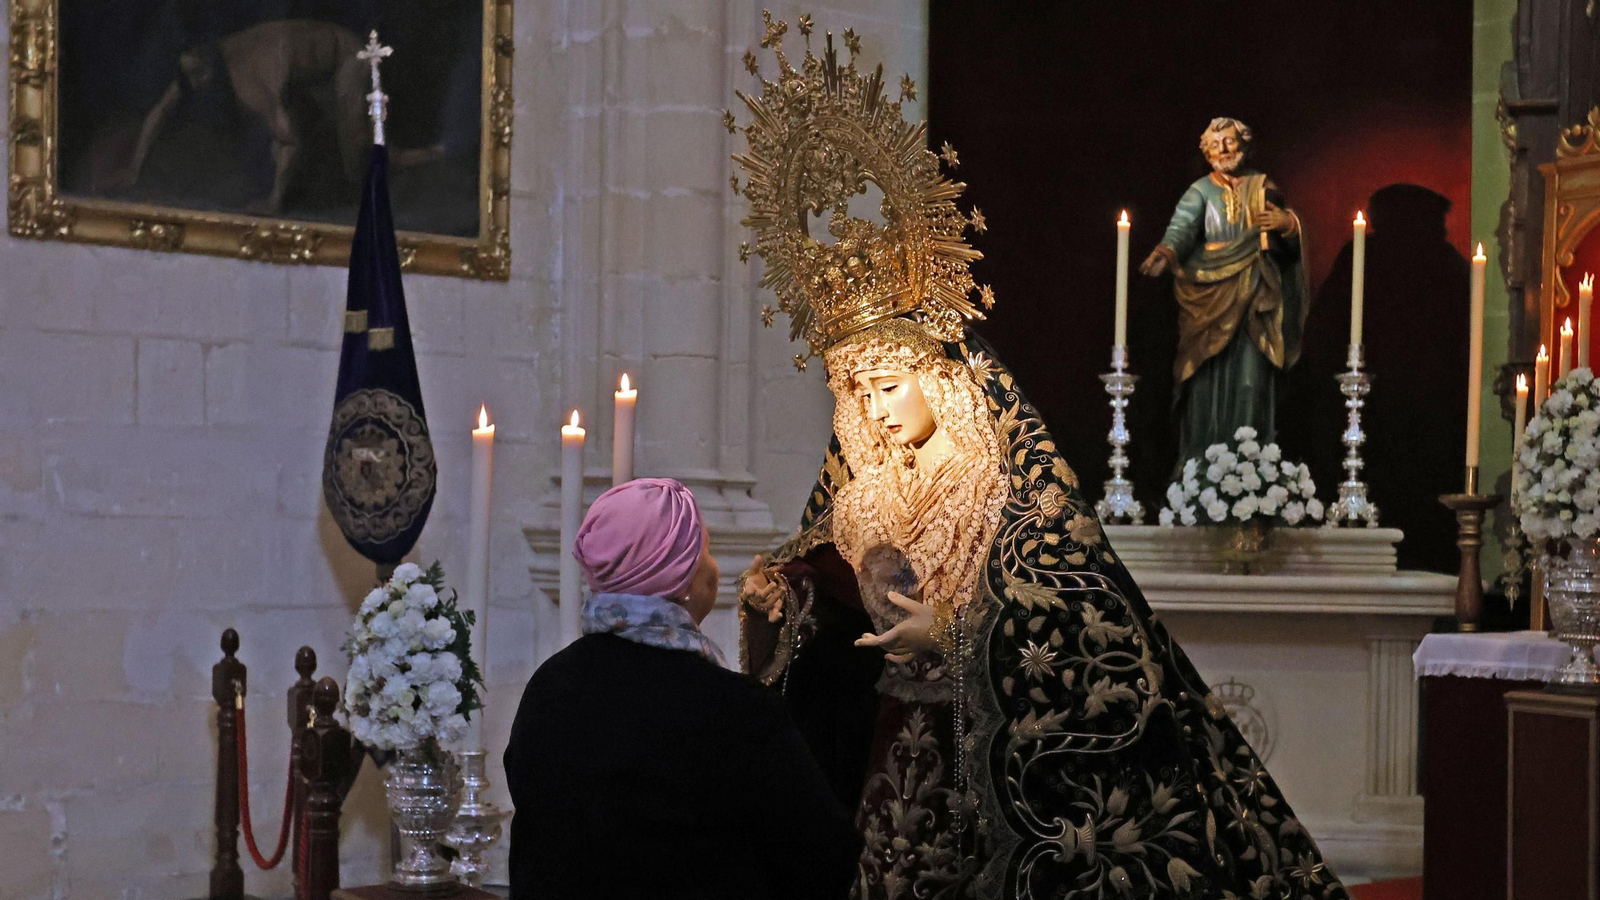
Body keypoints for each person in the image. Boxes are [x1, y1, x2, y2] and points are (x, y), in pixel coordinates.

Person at [731, 20, 1348, 899]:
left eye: (890, 386)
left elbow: (1089, 625)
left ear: (942, 381)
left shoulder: (1009, 486)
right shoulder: (864, 492)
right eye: (857, 395)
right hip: (884, 771)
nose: (875, 410)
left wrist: (956, 636)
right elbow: (822, 585)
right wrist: (782, 591)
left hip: (988, 789)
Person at [503, 477, 860, 899]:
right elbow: (826, 856)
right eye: (705, 551)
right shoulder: (734, 710)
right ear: (683, 579)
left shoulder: (548, 686)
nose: (714, 567)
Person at [1140, 117, 1312, 468]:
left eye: (1230, 141)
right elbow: (1181, 229)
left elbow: (1284, 238)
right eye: (1215, 144)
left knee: (1250, 381)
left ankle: (1251, 465)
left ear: (1244, 144)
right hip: (1208, 295)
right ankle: (1201, 466)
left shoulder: (1262, 185)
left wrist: (1288, 224)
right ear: (1206, 151)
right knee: (1204, 379)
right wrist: (1166, 253)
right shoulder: (1200, 191)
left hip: (1255, 295)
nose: (1223, 149)